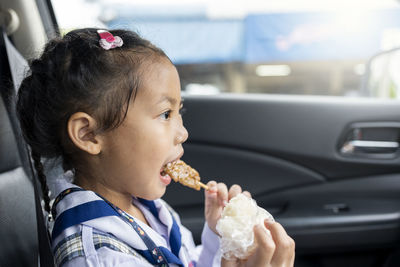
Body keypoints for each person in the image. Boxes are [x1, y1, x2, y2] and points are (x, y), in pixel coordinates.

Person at [16, 28, 295, 267]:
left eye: (179, 111)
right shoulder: (98, 256)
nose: (183, 132)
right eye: (165, 114)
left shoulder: (145, 207)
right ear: (89, 134)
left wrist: (219, 239)